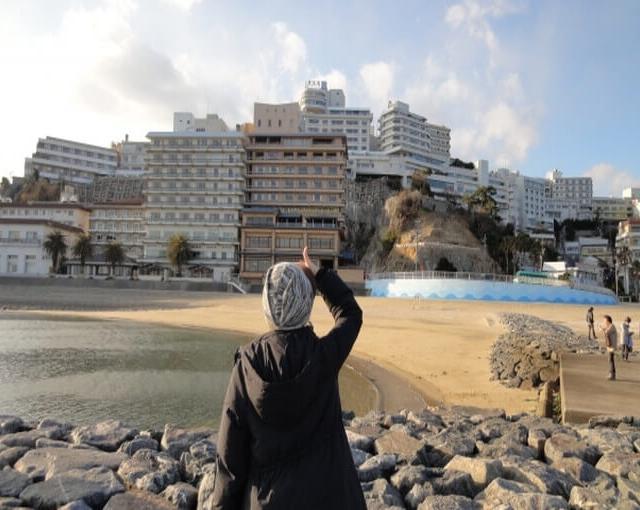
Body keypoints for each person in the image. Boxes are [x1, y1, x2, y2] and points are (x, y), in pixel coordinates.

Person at [211, 247, 365, 509]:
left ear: (267, 306)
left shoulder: (248, 363)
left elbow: (229, 458)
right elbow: (350, 313)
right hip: (330, 497)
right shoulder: (324, 355)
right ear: (306, 303)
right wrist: (320, 274)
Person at [599, 315, 618, 380]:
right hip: (610, 346)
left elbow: (606, 332)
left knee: (610, 360)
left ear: (608, 320)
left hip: (612, 346)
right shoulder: (610, 326)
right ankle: (612, 374)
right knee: (610, 360)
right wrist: (603, 328)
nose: (604, 322)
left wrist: (602, 329)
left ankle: (612, 375)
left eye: (604, 320)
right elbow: (605, 331)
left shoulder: (612, 326)